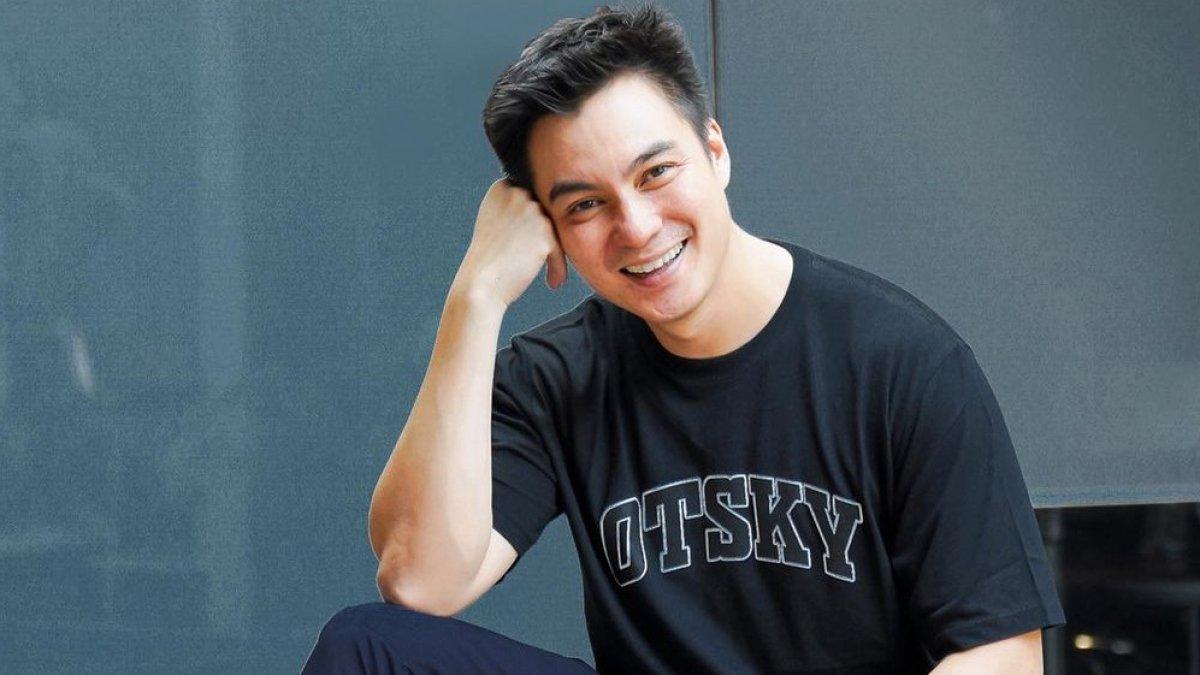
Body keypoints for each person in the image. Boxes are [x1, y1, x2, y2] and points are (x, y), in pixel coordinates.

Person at [302, 3, 1066, 673]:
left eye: (655, 172)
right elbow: (419, 580)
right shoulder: (558, 378)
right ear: (551, 232)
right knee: (369, 649)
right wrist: (475, 298)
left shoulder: (902, 364)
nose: (636, 227)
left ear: (715, 151)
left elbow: (1002, 654)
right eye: (585, 205)